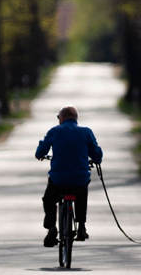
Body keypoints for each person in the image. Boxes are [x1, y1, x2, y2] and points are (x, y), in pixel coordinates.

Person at [35, 105, 103, 247]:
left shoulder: (54, 131)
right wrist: (95, 160)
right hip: (80, 178)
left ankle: (51, 227)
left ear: (63, 117)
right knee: (82, 193)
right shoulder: (86, 132)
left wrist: (41, 155)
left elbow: (41, 150)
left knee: (49, 199)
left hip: (58, 179)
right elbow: (97, 155)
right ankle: (82, 227)